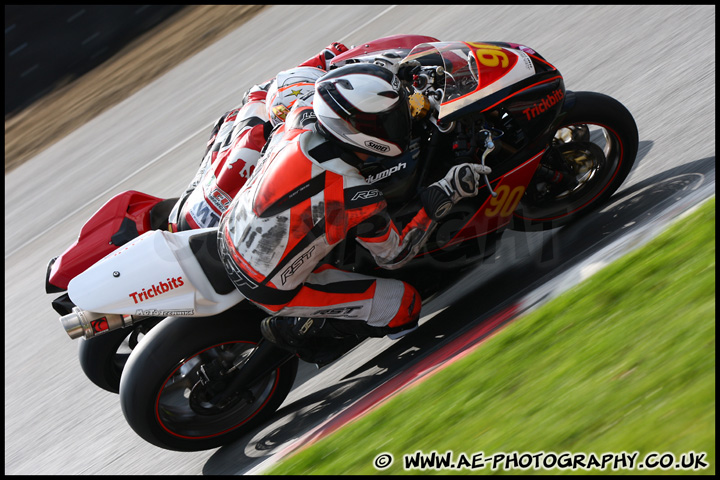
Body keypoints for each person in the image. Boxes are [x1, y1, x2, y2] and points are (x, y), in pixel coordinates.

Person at [217, 63, 491, 364]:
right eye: (387, 121)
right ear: (356, 130)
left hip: (230, 228)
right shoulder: (354, 194)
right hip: (266, 284)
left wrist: (394, 76)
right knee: (404, 304)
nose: (399, 122)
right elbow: (394, 256)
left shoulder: (302, 113)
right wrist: (446, 192)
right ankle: (304, 327)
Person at [167, 42, 348, 231]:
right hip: (207, 232)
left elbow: (263, 90)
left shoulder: (258, 115)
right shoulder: (282, 152)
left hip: (187, 208)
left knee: (229, 119)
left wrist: (324, 58)